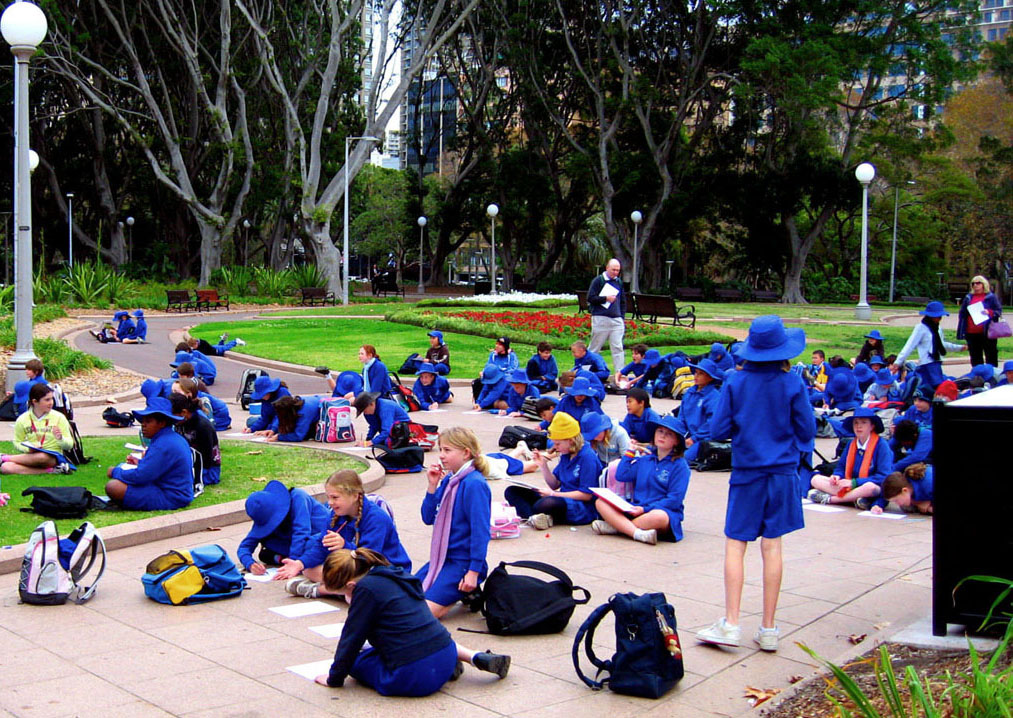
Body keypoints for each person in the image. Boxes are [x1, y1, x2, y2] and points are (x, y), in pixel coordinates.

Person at [697, 315, 815, 652]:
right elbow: (807, 430)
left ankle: (731, 622)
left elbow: (717, 431)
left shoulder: (735, 382)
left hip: (748, 471)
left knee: (736, 544)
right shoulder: (793, 382)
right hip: (782, 472)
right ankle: (769, 628)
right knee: (772, 546)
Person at [313, 548, 510, 695]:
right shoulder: (396, 574)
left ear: (351, 585)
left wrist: (334, 678)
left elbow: (351, 638)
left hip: (415, 676)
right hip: (446, 653)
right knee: (382, 649)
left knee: (356, 661)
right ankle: (450, 666)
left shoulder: (365, 591)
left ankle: (432, 672)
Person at [283, 469, 411, 597]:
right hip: (353, 570)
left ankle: (323, 590)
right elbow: (321, 547)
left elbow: (369, 558)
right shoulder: (336, 515)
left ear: (355, 496)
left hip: (384, 569)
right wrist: (299, 563)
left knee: (364, 584)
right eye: (328, 497)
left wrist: (344, 546)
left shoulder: (376, 518)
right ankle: (345, 590)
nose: (330, 503)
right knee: (309, 570)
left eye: (335, 497)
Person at [417, 427, 491, 619]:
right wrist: (432, 487)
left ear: (466, 453)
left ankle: (467, 587)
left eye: (447, 450)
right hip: (441, 559)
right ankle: (462, 592)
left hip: (462, 561)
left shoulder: (474, 484)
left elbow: (480, 532)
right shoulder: (450, 480)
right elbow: (427, 518)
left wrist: (473, 571)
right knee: (404, 599)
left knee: (422, 614)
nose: (441, 455)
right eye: (441, 449)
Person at [593, 414, 691, 545]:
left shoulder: (680, 466)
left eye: (669, 434)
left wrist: (645, 510)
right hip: (636, 508)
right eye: (660, 431)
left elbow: (674, 499)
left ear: (676, 441)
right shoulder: (646, 459)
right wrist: (629, 453)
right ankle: (636, 532)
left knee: (659, 516)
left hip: (659, 511)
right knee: (600, 502)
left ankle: (618, 528)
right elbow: (621, 475)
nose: (662, 436)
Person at [504, 412, 601, 531]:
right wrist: (543, 465)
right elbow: (554, 484)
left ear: (570, 440)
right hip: (562, 497)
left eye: (558, 443)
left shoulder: (587, 457)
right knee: (512, 491)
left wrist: (553, 494)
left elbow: (586, 495)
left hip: (580, 506)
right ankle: (536, 517)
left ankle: (537, 516)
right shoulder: (566, 454)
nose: (555, 447)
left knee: (546, 503)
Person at [105, 397, 194, 510]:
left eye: (148, 422)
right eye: (143, 422)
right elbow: (156, 468)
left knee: (113, 486)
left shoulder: (163, 444)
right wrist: (141, 463)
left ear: (161, 423)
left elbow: (141, 476)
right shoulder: (170, 438)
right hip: (174, 491)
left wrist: (115, 471)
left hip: (172, 496)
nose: (143, 425)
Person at [236, 479, 332, 574]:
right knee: (265, 553)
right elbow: (244, 547)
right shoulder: (264, 516)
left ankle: (288, 559)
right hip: (292, 542)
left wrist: (293, 563)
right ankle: (285, 559)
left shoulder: (298, 497)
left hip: (320, 534)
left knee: (311, 546)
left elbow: (301, 532)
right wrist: (250, 564)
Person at [807, 407, 893, 509]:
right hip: (848, 485)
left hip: (865, 485)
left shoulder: (882, 445)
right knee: (816, 479)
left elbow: (884, 476)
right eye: (856, 423)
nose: (859, 426)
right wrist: (836, 476)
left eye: (863, 422)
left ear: (872, 426)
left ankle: (831, 499)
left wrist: (854, 483)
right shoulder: (851, 444)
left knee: (871, 488)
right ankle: (855, 499)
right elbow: (841, 467)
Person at [893, 301, 966, 391]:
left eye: (940, 316)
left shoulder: (938, 328)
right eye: (937, 316)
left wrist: (959, 348)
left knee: (936, 388)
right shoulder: (920, 328)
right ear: (930, 316)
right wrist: (898, 362)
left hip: (937, 362)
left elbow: (942, 344)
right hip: (927, 364)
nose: (940, 319)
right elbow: (910, 345)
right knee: (934, 388)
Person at [2, 383, 75, 475]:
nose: (51, 402)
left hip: (51, 456)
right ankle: (53, 470)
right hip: (30, 456)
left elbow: (69, 445)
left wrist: (60, 439)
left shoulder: (59, 417)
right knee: (5, 468)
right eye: (47, 400)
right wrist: (28, 449)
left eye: (52, 399)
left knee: (42, 457)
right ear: (35, 401)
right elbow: (17, 442)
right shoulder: (22, 419)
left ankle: (4, 458)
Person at [672, 357, 724, 463]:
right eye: (696, 372)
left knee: (683, 459)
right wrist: (676, 434)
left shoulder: (714, 397)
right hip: (687, 435)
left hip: (703, 439)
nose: (696, 376)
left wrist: (694, 438)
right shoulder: (690, 393)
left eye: (701, 374)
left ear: (710, 378)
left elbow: (711, 423)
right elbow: (681, 417)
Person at [169, 393, 221, 485]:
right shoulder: (180, 423)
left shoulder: (202, 426)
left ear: (184, 413)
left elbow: (206, 459)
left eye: (172, 415)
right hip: (188, 464)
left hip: (207, 470)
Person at [586, 258, 626, 375]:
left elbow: (622, 301)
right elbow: (590, 298)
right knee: (595, 347)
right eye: (613, 270)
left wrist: (621, 316)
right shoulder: (598, 281)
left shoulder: (619, 282)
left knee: (618, 347)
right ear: (607, 268)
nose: (615, 272)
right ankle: (585, 372)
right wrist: (605, 298)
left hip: (616, 319)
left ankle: (620, 374)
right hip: (601, 318)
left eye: (618, 270)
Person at [956, 275, 1003, 367]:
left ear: (984, 284)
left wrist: (989, 312)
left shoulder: (991, 297)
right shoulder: (968, 297)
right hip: (971, 332)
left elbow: (998, 311)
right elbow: (962, 313)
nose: (975, 285)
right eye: (973, 283)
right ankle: (978, 377)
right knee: (975, 357)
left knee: (991, 356)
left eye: (978, 283)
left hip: (988, 332)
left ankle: (992, 376)